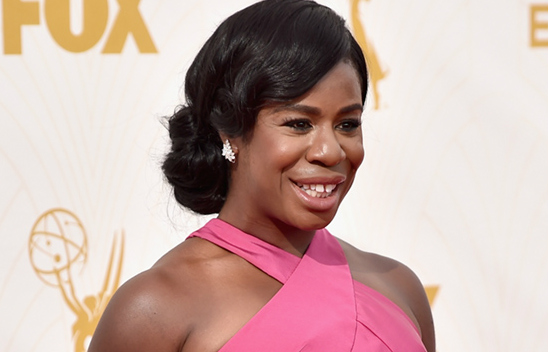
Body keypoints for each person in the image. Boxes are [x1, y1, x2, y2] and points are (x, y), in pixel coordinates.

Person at [89, 0, 435, 351]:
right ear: (231, 132)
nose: (330, 151)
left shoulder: (400, 289)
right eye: (299, 124)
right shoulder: (155, 310)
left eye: (348, 124)